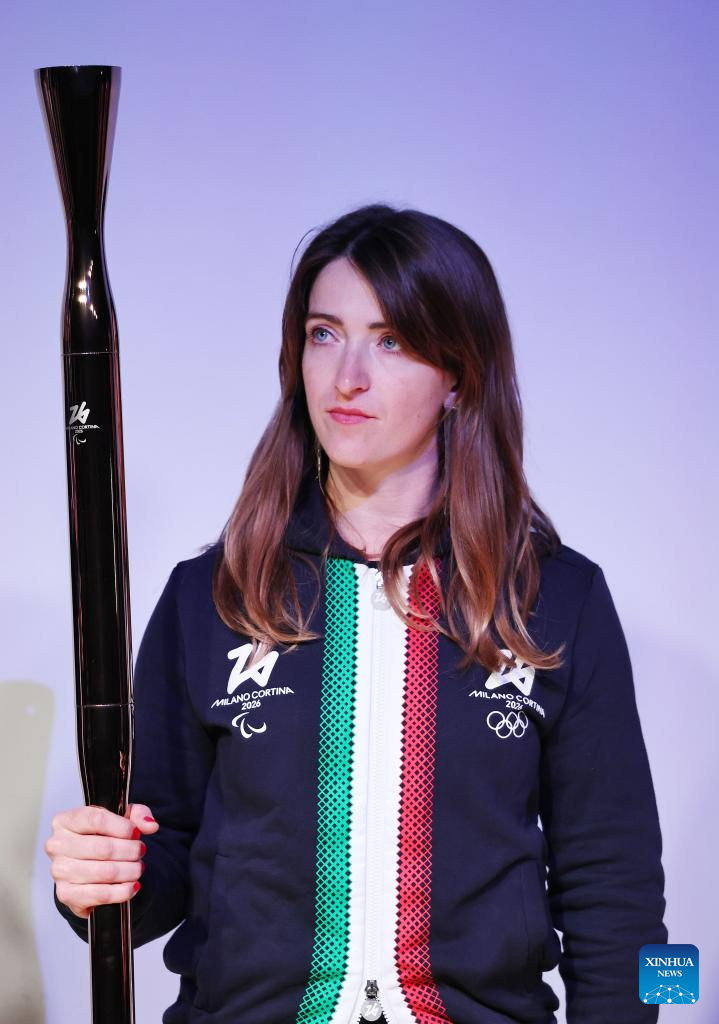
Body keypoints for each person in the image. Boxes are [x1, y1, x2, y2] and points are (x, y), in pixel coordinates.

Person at [46, 203, 668, 1023]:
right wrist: (96, 880)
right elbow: (157, 871)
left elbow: (623, 891)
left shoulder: (556, 598)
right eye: (324, 334)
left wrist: (664, 1003)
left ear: (458, 375)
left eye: (392, 341)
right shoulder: (210, 595)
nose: (347, 377)